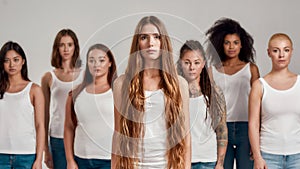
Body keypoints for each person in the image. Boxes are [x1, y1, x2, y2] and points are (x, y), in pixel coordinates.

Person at [111, 16, 191, 169]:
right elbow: (118, 134)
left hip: (169, 165)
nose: (150, 43)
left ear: (163, 42)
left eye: (156, 37)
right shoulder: (121, 84)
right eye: (144, 37)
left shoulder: (179, 84)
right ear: (137, 44)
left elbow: (186, 135)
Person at [205, 18, 260, 169]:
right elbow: (207, 104)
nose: (231, 47)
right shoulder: (212, 71)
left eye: (235, 42)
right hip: (221, 129)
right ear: (220, 45)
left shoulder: (251, 69)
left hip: (246, 128)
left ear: (242, 44)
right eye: (227, 42)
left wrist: (257, 136)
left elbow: (259, 104)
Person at [249, 33, 300, 169]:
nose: (281, 55)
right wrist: (258, 157)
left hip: (297, 155)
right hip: (268, 155)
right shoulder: (259, 86)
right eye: (276, 50)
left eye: (286, 50)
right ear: (269, 53)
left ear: (291, 52)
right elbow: (253, 124)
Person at [64, 43, 117, 169]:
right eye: (91, 60)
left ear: (110, 63)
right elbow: (68, 128)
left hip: (109, 160)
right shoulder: (76, 94)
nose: (96, 64)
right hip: (81, 159)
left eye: (101, 60)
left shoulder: (117, 92)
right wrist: (70, 161)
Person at [177, 40, 228, 169]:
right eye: (187, 63)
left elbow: (221, 129)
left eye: (196, 62)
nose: (192, 67)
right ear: (180, 63)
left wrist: (220, 163)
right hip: (181, 159)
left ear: (203, 64)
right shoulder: (174, 92)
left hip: (207, 160)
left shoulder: (214, 92)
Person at [41, 29, 83, 169]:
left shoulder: (85, 75)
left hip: (80, 136)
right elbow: (44, 114)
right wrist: (45, 148)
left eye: (70, 45)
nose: (66, 49)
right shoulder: (48, 77)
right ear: (56, 48)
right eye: (62, 45)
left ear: (75, 47)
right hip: (57, 136)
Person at [0, 41, 45, 169]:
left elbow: (40, 125)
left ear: (23, 61)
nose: (11, 64)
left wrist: (39, 159)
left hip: (26, 155)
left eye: (15, 59)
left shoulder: (34, 90)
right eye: (7, 60)